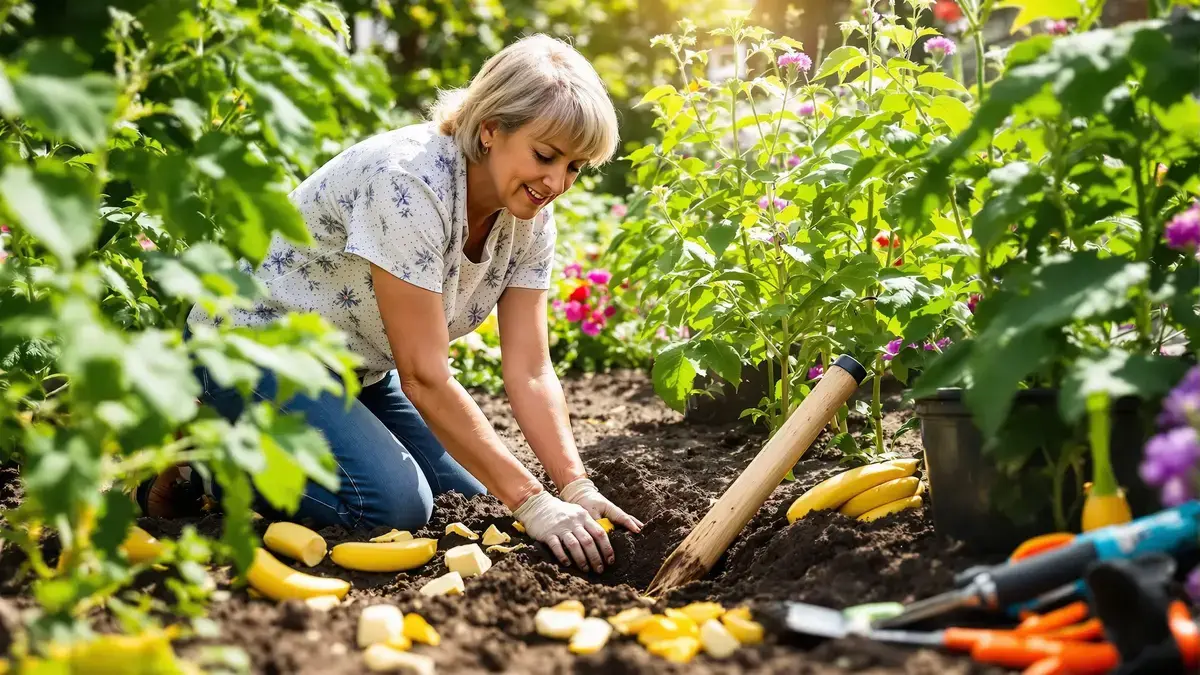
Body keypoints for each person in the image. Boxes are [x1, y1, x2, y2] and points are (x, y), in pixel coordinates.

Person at [138, 34, 642, 574]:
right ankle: (204, 453)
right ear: (491, 129)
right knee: (393, 507)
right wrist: (534, 502)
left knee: (466, 498)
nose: (556, 182)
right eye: (545, 155)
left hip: (358, 371)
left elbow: (532, 369)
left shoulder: (530, 218)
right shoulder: (408, 183)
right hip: (252, 349)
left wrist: (575, 486)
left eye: (574, 167)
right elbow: (425, 377)